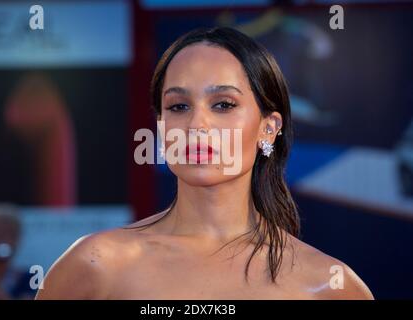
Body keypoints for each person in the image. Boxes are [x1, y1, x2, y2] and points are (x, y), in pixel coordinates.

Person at [36, 27, 374, 300]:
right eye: (178, 106)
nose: (197, 126)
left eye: (224, 104)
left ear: (268, 127)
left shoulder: (326, 284)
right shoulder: (97, 264)